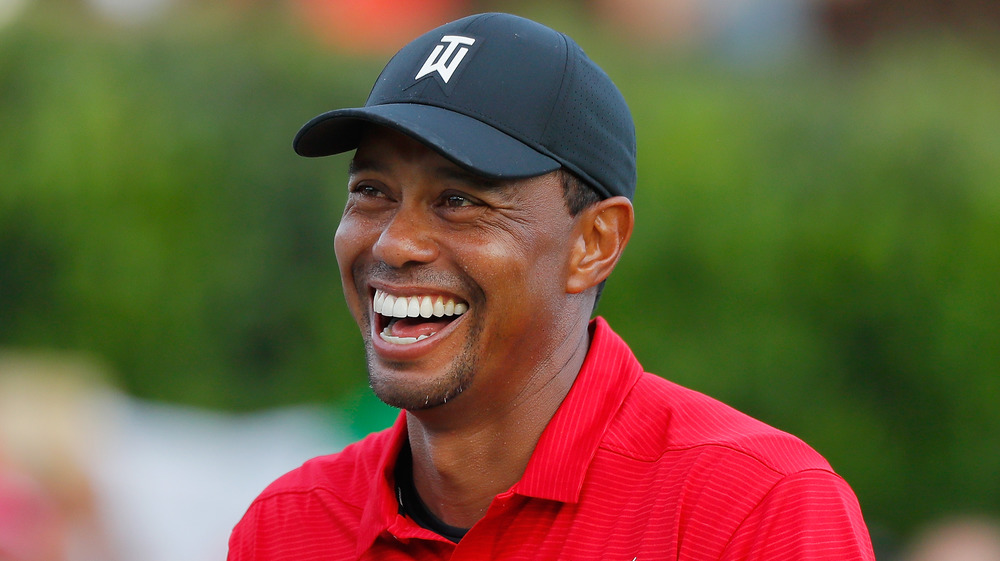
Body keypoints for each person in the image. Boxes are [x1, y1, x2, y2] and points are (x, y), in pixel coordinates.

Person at [228, 12, 875, 560]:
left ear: (594, 244)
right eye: (371, 192)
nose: (395, 242)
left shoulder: (754, 510)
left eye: (458, 199)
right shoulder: (290, 527)